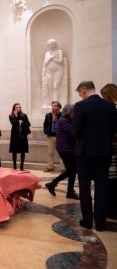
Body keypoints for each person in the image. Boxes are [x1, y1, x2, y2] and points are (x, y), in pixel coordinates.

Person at [73, 81, 117, 231]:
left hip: (84, 152)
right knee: (102, 187)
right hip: (104, 152)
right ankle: (100, 222)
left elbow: (76, 130)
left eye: (80, 94)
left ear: (84, 91)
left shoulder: (80, 106)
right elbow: (114, 130)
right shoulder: (110, 106)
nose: (80, 96)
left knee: (84, 187)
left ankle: (87, 220)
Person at [45, 104, 79, 199]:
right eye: (74, 113)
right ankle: (55, 184)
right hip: (66, 150)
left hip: (68, 150)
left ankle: (67, 190)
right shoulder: (63, 121)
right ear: (69, 113)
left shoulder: (68, 120)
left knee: (72, 171)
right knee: (72, 170)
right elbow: (74, 133)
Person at [100, 83, 117, 219]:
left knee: (111, 180)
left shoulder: (112, 109)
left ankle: (111, 209)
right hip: (111, 147)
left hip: (112, 149)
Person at [42, 39, 67, 107]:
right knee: (50, 87)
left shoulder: (59, 51)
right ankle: (52, 104)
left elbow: (60, 61)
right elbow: (46, 63)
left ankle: (57, 104)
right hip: (49, 71)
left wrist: (53, 58)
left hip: (58, 70)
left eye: (52, 44)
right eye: (49, 45)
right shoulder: (47, 53)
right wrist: (50, 58)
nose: (51, 46)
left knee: (56, 86)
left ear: (55, 45)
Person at [9, 103, 31, 170]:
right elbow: (13, 123)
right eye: (17, 107)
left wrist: (23, 123)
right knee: (14, 151)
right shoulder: (11, 116)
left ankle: (21, 167)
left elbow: (28, 124)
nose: (18, 108)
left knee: (22, 151)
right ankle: (14, 166)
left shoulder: (24, 115)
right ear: (14, 108)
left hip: (22, 135)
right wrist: (16, 116)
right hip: (15, 135)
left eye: (19, 107)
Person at [43, 101, 62, 172]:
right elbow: (45, 124)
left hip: (60, 136)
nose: (53, 107)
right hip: (51, 136)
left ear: (59, 107)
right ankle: (50, 166)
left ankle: (63, 168)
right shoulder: (48, 115)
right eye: (52, 105)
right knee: (50, 152)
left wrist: (57, 121)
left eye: (55, 105)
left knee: (61, 152)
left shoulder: (62, 115)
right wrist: (46, 131)